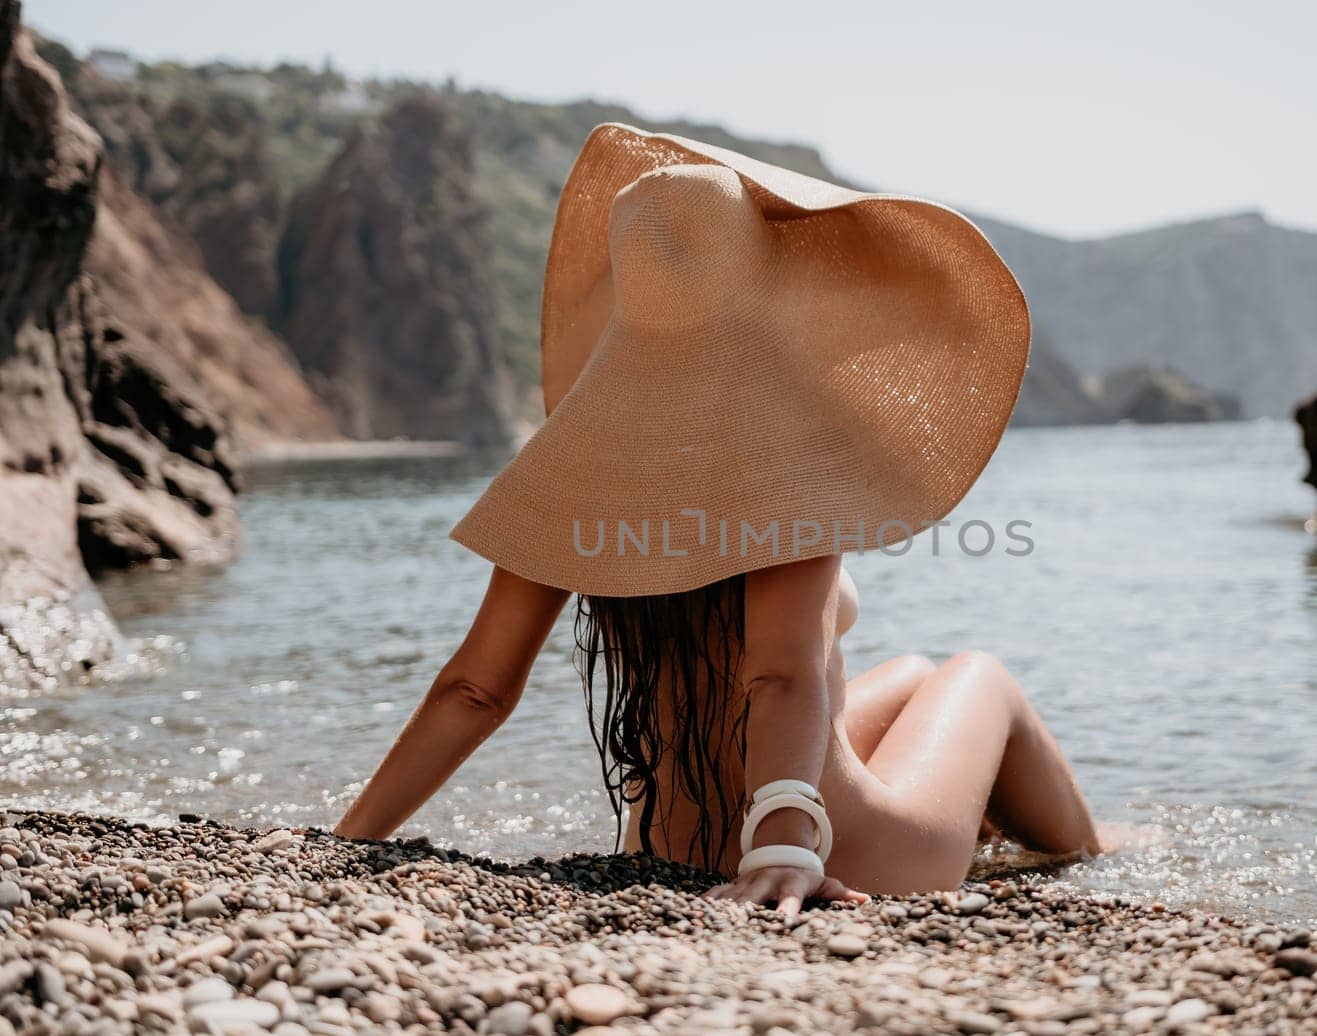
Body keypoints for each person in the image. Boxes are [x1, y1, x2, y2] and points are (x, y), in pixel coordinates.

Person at [334, 124, 1104, 915]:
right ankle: (1095, 852)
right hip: (838, 846)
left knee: (910, 673)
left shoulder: (577, 469)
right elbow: (778, 675)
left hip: (661, 843)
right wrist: (778, 853)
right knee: (980, 675)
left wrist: (348, 841)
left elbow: (475, 689)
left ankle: (1014, 837)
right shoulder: (783, 463)